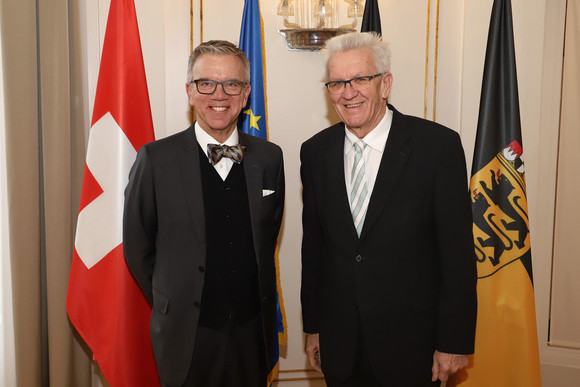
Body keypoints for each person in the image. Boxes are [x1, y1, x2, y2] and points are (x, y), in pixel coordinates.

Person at [300, 32, 477, 387]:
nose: (348, 92)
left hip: (414, 347)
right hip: (341, 344)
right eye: (336, 83)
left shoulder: (437, 147)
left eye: (361, 79)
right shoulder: (315, 152)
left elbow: (457, 255)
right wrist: (314, 327)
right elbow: (315, 249)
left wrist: (454, 341)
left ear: (385, 84)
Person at [123, 40, 285, 387]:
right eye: (206, 83)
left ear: (246, 93)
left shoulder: (270, 158)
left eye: (232, 84)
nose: (219, 94)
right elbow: (138, 248)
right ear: (190, 92)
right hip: (186, 336)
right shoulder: (155, 160)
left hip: (251, 335)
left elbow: (266, 234)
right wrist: (175, 300)